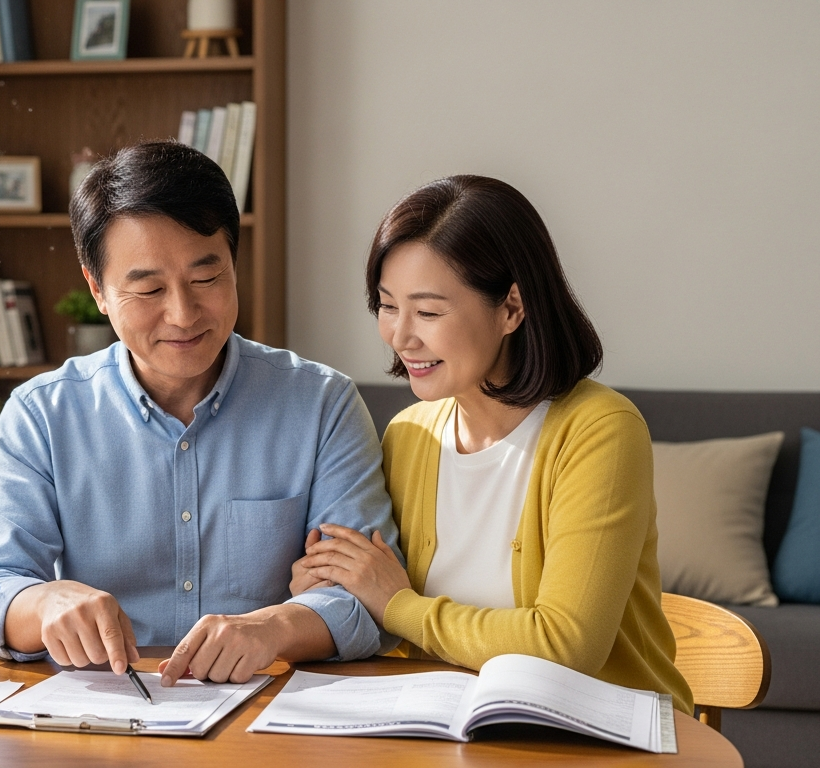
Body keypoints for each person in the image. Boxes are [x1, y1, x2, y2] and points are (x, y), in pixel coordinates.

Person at [0, 141, 401, 687]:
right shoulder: (43, 415)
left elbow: (371, 602)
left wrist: (271, 628)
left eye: (206, 279)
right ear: (97, 289)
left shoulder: (320, 405)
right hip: (106, 719)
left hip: (268, 714)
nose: (183, 313)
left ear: (234, 265)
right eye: (147, 288)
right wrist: (44, 603)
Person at [291, 175, 693, 711]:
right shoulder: (408, 435)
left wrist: (398, 606)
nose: (401, 335)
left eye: (429, 312)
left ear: (511, 308)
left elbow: (565, 645)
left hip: (602, 738)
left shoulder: (600, 430)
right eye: (388, 306)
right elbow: (369, 601)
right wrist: (323, 589)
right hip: (456, 736)